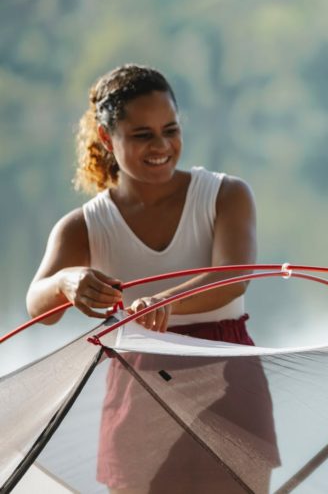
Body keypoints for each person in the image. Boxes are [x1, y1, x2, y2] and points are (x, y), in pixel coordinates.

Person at [26, 64, 278, 492]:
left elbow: (232, 277)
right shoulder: (83, 226)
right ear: (107, 139)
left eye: (170, 129)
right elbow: (38, 307)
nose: (161, 145)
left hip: (229, 385)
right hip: (139, 391)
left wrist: (163, 303)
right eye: (142, 135)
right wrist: (67, 283)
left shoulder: (226, 194)